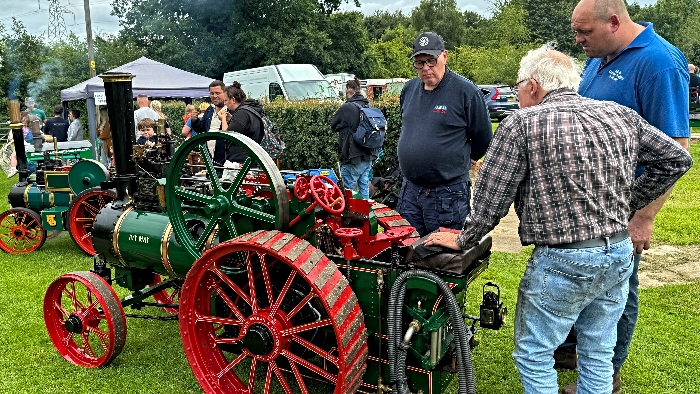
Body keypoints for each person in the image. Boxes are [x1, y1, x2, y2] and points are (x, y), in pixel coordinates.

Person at [425, 45, 693, 394]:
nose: (517, 93)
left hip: (563, 258)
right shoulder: (618, 114)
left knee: (535, 353)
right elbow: (677, 158)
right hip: (618, 253)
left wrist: (463, 239)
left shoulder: (521, 123)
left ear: (533, 86)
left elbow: (492, 200)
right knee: (597, 351)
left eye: (518, 86)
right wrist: (627, 202)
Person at [559, 1, 692, 392]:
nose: (579, 41)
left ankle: (607, 376)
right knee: (584, 280)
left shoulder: (658, 62)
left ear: (614, 22)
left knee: (618, 290)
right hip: (588, 203)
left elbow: (677, 149)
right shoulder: (599, 57)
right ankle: (573, 349)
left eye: (585, 32)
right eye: (576, 32)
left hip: (623, 206)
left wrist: (644, 216)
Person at [397, 31, 492, 237]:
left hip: (447, 194)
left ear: (445, 56)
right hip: (410, 191)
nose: (426, 68)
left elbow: (483, 139)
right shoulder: (409, 90)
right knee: (407, 251)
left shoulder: (466, 92)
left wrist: (453, 160)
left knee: (444, 258)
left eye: (431, 60)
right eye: (419, 62)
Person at [331, 78, 377, 199]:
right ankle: (365, 214)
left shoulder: (346, 108)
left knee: (348, 191)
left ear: (347, 90)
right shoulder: (368, 105)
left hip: (353, 157)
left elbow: (333, 125)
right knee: (363, 188)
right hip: (369, 155)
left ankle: (350, 217)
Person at [218, 81, 264, 164]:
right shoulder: (249, 110)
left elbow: (227, 136)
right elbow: (244, 128)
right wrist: (231, 119)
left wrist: (223, 119)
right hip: (251, 157)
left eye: (226, 100)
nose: (224, 103)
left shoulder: (241, 113)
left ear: (233, 100)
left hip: (241, 161)